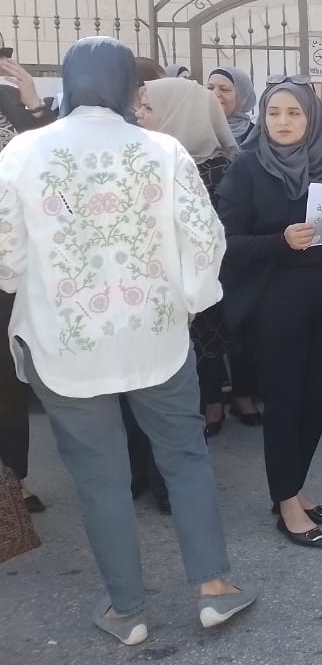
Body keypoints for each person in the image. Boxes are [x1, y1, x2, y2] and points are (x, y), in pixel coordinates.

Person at [0, 37, 255, 644]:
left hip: (65, 344)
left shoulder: (22, 152)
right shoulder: (162, 150)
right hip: (156, 337)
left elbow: (6, 257)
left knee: (99, 478)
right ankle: (214, 588)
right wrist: (189, 299)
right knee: (185, 457)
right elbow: (206, 239)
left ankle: (127, 610)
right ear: (128, 87)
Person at [218, 77, 322, 547]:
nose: (283, 122)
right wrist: (279, 241)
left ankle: (295, 484)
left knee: (318, 399)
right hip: (274, 304)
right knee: (285, 402)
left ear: (312, 118)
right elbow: (226, 243)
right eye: (274, 113)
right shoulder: (247, 168)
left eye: (294, 113)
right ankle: (285, 499)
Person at [140, 78, 259, 438]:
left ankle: (243, 396)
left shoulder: (229, 165)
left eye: (149, 107)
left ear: (177, 113)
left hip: (231, 266)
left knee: (238, 331)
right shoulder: (152, 164)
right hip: (181, 269)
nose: (140, 115)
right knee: (203, 339)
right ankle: (212, 402)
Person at [0, 55, 56, 513]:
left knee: (6, 374)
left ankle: (13, 476)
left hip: (8, 257)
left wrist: (35, 106)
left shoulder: (9, 101)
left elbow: (54, 159)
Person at [207, 66, 257, 144]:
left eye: (224, 89)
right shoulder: (195, 130)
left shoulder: (256, 137)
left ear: (242, 97)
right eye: (210, 88)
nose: (214, 94)